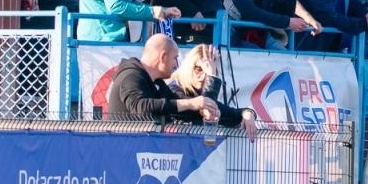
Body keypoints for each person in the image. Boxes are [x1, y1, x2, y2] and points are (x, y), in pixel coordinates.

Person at [107, 34, 256, 140]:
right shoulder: (131, 76)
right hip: (124, 151)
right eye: (174, 58)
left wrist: (245, 113)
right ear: (163, 56)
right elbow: (140, 107)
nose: (176, 64)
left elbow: (192, 109)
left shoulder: (157, 83)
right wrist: (191, 103)